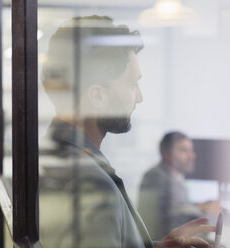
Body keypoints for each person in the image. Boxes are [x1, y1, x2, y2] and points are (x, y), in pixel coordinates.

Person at [39, 16, 215, 248]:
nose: (139, 97)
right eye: (132, 85)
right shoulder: (90, 186)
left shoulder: (56, 152)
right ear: (98, 96)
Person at [138, 131, 221, 241]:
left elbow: (174, 208)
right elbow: (178, 222)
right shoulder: (157, 177)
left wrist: (198, 206)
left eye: (191, 150)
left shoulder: (171, 175)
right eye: (184, 150)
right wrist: (211, 213)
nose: (192, 155)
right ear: (167, 154)